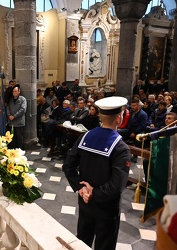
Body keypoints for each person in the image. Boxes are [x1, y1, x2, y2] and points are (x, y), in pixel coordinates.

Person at [63, 96, 130, 250]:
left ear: (100, 116)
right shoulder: (121, 148)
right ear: (119, 118)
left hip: (85, 202)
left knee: (82, 242)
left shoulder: (84, 137)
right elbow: (117, 186)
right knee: (104, 245)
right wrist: (94, 193)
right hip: (106, 208)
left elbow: (68, 166)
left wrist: (82, 189)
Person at [6, 84, 27, 149]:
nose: (14, 93)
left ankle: (20, 150)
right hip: (11, 122)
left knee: (19, 137)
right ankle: (13, 150)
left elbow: (23, 109)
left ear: (19, 91)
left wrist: (14, 116)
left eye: (15, 91)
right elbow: (7, 108)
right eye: (13, 91)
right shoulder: (10, 99)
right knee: (12, 138)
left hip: (19, 122)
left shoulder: (23, 99)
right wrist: (9, 115)